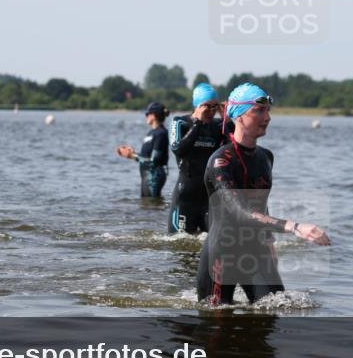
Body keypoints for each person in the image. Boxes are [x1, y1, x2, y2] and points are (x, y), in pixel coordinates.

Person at [197, 83, 331, 305]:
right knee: (217, 334)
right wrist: (294, 227)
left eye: (268, 110)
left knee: (273, 317)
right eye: (258, 111)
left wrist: (269, 242)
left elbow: (260, 203)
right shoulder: (220, 161)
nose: (267, 117)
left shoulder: (266, 157)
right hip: (222, 255)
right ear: (239, 116)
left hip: (257, 251)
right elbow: (239, 211)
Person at [167, 83, 229, 234]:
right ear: (197, 105)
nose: (211, 111)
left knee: (216, 246)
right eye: (207, 106)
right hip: (185, 198)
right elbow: (178, 149)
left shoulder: (218, 126)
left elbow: (233, 149)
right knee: (181, 249)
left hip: (209, 198)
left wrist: (226, 120)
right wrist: (198, 123)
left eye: (215, 107)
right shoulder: (180, 123)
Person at [116, 102, 170, 198]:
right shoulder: (151, 133)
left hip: (154, 176)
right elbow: (146, 157)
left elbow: (154, 161)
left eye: (147, 114)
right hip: (146, 174)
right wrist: (132, 153)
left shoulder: (161, 133)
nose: (146, 117)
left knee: (151, 205)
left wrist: (132, 156)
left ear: (153, 115)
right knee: (146, 205)